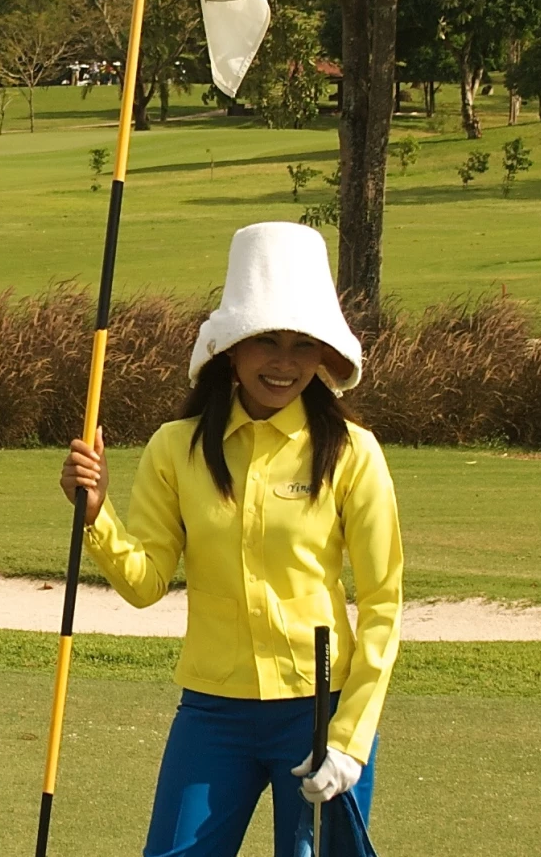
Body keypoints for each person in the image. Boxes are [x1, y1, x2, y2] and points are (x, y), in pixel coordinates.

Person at [60, 222, 403, 857]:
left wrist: (351, 739)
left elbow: (384, 602)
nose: (285, 362)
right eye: (267, 341)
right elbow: (144, 583)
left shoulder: (353, 452)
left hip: (320, 712)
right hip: (213, 713)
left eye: (303, 346)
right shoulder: (176, 447)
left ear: (324, 357)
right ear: (231, 348)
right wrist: (97, 516)